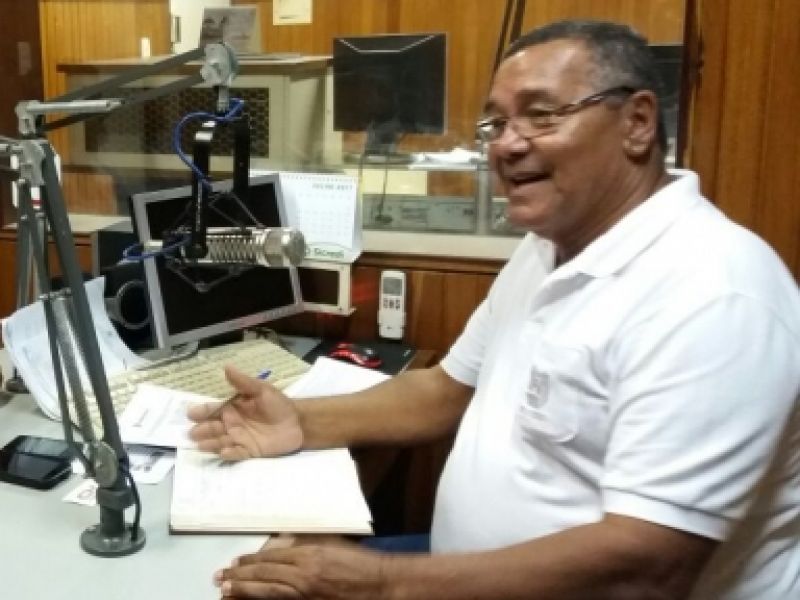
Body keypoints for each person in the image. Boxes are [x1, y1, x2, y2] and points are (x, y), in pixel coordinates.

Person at [188, 19, 800, 600]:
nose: (507, 144)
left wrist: (379, 584)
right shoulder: (550, 245)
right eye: (497, 123)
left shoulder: (715, 295)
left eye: (541, 114)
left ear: (637, 122)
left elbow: (647, 570)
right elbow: (445, 392)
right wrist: (300, 421)